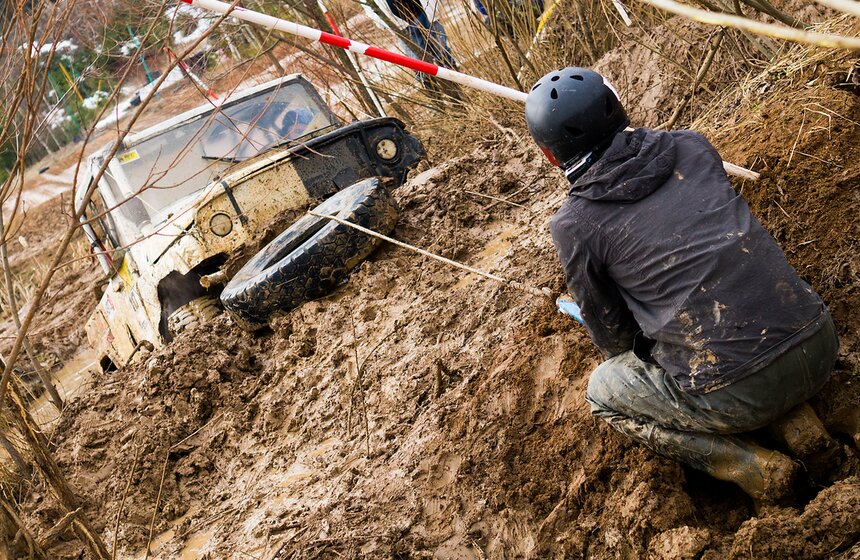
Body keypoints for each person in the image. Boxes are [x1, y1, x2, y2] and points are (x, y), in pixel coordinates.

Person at [526, 67, 839, 501]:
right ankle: (801, 417)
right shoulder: (692, 146)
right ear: (618, 108)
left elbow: (614, 337)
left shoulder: (575, 224)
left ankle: (750, 467)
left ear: (549, 155)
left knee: (603, 390)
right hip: (820, 341)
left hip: (739, 391)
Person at [361, 0, 457, 86]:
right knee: (420, 66)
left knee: (443, 54)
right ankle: (438, 102)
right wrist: (384, 22)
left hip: (426, 11)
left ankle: (458, 93)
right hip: (401, 25)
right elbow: (369, 6)